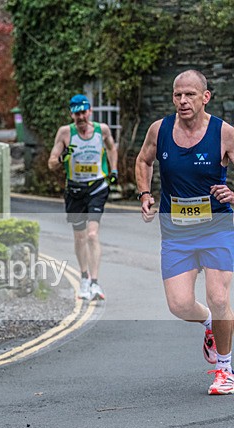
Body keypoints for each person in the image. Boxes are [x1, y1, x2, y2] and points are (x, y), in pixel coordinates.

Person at [136, 69, 234, 395]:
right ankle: (209, 325)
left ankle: (224, 369)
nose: (182, 101)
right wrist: (145, 194)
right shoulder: (159, 130)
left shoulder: (224, 133)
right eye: (178, 94)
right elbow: (143, 161)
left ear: (205, 97)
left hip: (217, 226)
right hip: (176, 233)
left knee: (219, 297)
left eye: (190, 94)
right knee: (179, 305)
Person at [48, 94, 118, 300]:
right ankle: (84, 277)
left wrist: (114, 170)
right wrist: (62, 157)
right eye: (76, 113)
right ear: (72, 114)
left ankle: (95, 282)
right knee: (79, 236)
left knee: (92, 234)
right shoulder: (65, 133)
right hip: (75, 191)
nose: (81, 117)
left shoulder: (102, 130)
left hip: (97, 187)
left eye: (83, 112)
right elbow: (51, 163)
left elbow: (112, 148)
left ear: (90, 112)